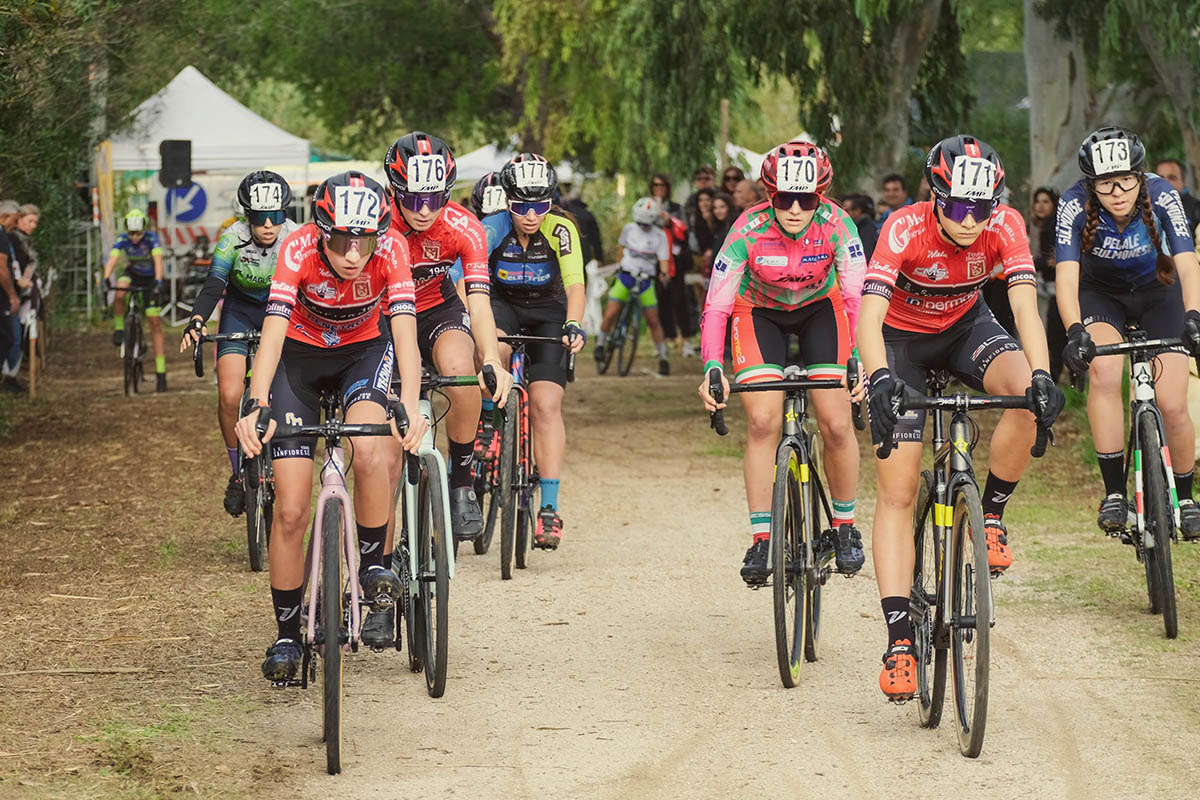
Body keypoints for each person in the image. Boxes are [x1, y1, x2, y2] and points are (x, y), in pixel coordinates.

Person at [860, 135, 1063, 701]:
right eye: (957, 207)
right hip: (900, 342)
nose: (971, 220)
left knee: (1024, 395)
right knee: (899, 491)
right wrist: (879, 378)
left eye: (982, 208)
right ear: (935, 194)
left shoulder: (1006, 225)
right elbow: (868, 317)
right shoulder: (903, 227)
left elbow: (1024, 306)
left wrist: (1043, 375)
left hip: (966, 327)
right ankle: (900, 643)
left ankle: (990, 516)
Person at [232, 171, 427, 682]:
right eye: (341, 241)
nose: (353, 254)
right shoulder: (296, 249)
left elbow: (405, 334)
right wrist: (256, 402)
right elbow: (273, 332)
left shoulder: (392, 250)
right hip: (298, 360)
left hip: (363, 354)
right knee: (291, 510)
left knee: (370, 448)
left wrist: (410, 403)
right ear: (321, 232)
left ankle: (372, 566)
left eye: (364, 241)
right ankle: (286, 635)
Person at [698, 139, 868, 587]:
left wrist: (859, 360)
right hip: (758, 313)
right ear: (769, 195)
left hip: (822, 310)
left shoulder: (838, 225)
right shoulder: (746, 230)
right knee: (762, 421)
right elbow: (717, 304)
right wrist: (712, 365)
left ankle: (844, 527)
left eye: (806, 200)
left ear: (821, 196)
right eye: (784, 199)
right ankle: (762, 538)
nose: (794, 209)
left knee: (836, 422)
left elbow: (856, 297)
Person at [1056, 127, 1200, 539]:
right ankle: (1115, 493)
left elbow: (1188, 264)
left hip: (1159, 291)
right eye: (1105, 183)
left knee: (1172, 403)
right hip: (1100, 296)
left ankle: (1186, 498)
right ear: (1090, 184)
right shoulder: (1072, 203)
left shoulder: (1163, 194)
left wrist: (1194, 316)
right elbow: (1066, 278)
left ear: (1140, 176)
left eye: (1125, 180)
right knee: (1103, 373)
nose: (1117, 192)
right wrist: (1074, 331)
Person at [381, 132, 513, 563]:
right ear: (393, 190)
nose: (424, 210)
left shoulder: (463, 226)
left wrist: (490, 358)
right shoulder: (377, 224)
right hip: (383, 314)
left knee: (460, 371)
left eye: (435, 198)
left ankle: (461, 481)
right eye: (413, 199)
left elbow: (479, 300)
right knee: (384, 435)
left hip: (438, 309)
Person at [179, 171, 301, 516]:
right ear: (247, 216)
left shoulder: (295, 238)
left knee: (284, 392)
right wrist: (197, 319)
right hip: (240, 311)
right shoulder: (231, 239)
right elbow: (213, 284)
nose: (268, 225)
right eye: (259, 217)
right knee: (231, 395)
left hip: (280, 311)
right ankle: (237, 472)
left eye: (275, 216)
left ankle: (281, 462)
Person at [483, 153, 586, 549]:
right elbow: (470, 281)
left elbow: (575, 283)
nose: (531, 215)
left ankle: (549, 508)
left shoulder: (561, 229)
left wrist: (573, 323)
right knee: (495, 348)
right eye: (521, 206)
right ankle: (488, 423)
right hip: (503, 306)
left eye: (540, 206)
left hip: (549, 311)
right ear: (507, 201)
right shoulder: (492, 227)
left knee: (545, 405)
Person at [595, 197, 671, 374]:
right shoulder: (629, 228)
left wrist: (664, 273)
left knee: (653, 320)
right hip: (626, 276)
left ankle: (663, 358)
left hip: (646, 280)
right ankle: (600, 344)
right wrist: (619, 264)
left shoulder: (660, 235)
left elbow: (664, 260)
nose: (643, 226)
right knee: (610, 314)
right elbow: (621, 248)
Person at [102, 209, 168, 392]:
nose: (134, 237)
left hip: (150, 279)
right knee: (119, 293)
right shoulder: (122, 239)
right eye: (131, 233)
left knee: (154, 323)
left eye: (138, 233)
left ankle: (161, 372)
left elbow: (158, 261)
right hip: (132, 274)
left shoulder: (151, 239)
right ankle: (119, 329)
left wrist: (158, 281)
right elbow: (112, 259)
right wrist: (105, 278)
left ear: (143, 230)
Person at [650, 173, 694, 363]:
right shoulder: (647, 205)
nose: (659, 188)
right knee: (661, 302)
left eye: (662, 185)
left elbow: (683, 230)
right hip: (654, 261)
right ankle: (665, 339)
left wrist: (666, 216)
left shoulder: (676, 208)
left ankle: (687, 339)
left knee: (680, 300)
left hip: (675, 261)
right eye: (655, 185)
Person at [1028, 187, 1066, 382]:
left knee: (1057, 334)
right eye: (1038, 202)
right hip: (1052, 288)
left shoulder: (1054, 227)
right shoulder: (1045, 226)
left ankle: (1059, 378)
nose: (1040, 206)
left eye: (1046, 202)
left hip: (1063, 287)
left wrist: (1032, 263)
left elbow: (1055, 259)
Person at [0, 201, 21, 393]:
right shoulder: (1, 236)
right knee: (6, 338)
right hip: (2, 297)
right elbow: (1, 268)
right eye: (14, 221)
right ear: (4, 217)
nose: (15, 225)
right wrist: (12, 295)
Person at [560, 181, 604, 266]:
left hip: (566, 253)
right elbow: (596, 239)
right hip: (584, 254)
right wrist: (599, 258)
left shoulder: (563, 214)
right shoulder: (587, 214)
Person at [1153, 158, 1200, 234]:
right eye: (1160, 178)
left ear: (1183, 181)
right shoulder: (1146, 209)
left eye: (1172, 178)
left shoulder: (1197, 209)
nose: (1165, 183)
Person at [689, 187, 718, 276]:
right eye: (701, 200)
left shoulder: (720, 217)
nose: (704, 204)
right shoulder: (695, 219)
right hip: (700, 259)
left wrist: (709, 222)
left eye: (707, 200)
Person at [843, 195, 878, 261]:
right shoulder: (855, 226)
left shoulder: (867, 228)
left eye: (846, 210)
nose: (842, 214)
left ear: (857, 211)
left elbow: (866, 255)